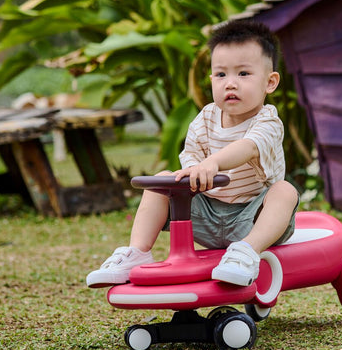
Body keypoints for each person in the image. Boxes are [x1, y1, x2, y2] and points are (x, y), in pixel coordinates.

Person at [86, 19, 299, 288]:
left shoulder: (268, 121)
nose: (230, 84)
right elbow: (191, 157)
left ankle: (247, 251)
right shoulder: (205, 117)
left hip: (251, 216)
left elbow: (247, 148)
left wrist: (212, 164)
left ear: (270, 82)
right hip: (205, 216)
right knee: (163, 179)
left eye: (243, 74)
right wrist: (193, 172)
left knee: (285, 191)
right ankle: (137, 252)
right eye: (221, 75)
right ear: (211, 79)